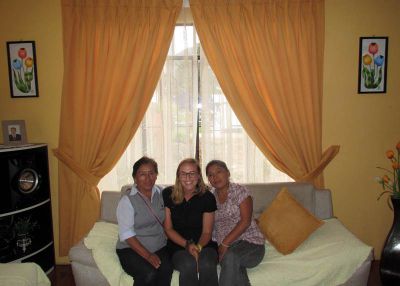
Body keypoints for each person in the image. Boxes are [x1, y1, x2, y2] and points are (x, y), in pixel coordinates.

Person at [206, 160, 265, 286]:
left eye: (218, 172)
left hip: (250, 244)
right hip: (227, 248)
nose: (215, 177)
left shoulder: (240, 191)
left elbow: (245, 222)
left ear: (228, 173)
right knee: (233, 264)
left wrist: (224, 244)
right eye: (210, 175)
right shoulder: (209, 197)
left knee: (230, 257)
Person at [116, 156, 173, 286]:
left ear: (156, 175)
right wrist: (148, 256)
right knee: (148, 273)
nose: (148, 178)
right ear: (135, 177)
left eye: (151, 173)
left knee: (166, 270)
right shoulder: (127, 200)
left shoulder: (162, 193)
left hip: (159, 246)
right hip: (131, 248)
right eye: (142, 174)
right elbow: (127, 235)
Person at [163, 158, 218, 286]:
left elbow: (207, 232)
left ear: (198, 175)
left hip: (204, 245)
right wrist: (187, 245)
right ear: (178, 176)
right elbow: (168, 229)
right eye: (183, 173)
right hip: (177, 245)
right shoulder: (168, 194)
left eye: (192, 173)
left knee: (207, 264)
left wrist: (197, 248)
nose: (188, 177)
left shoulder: (208, 197)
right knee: (188, 264)